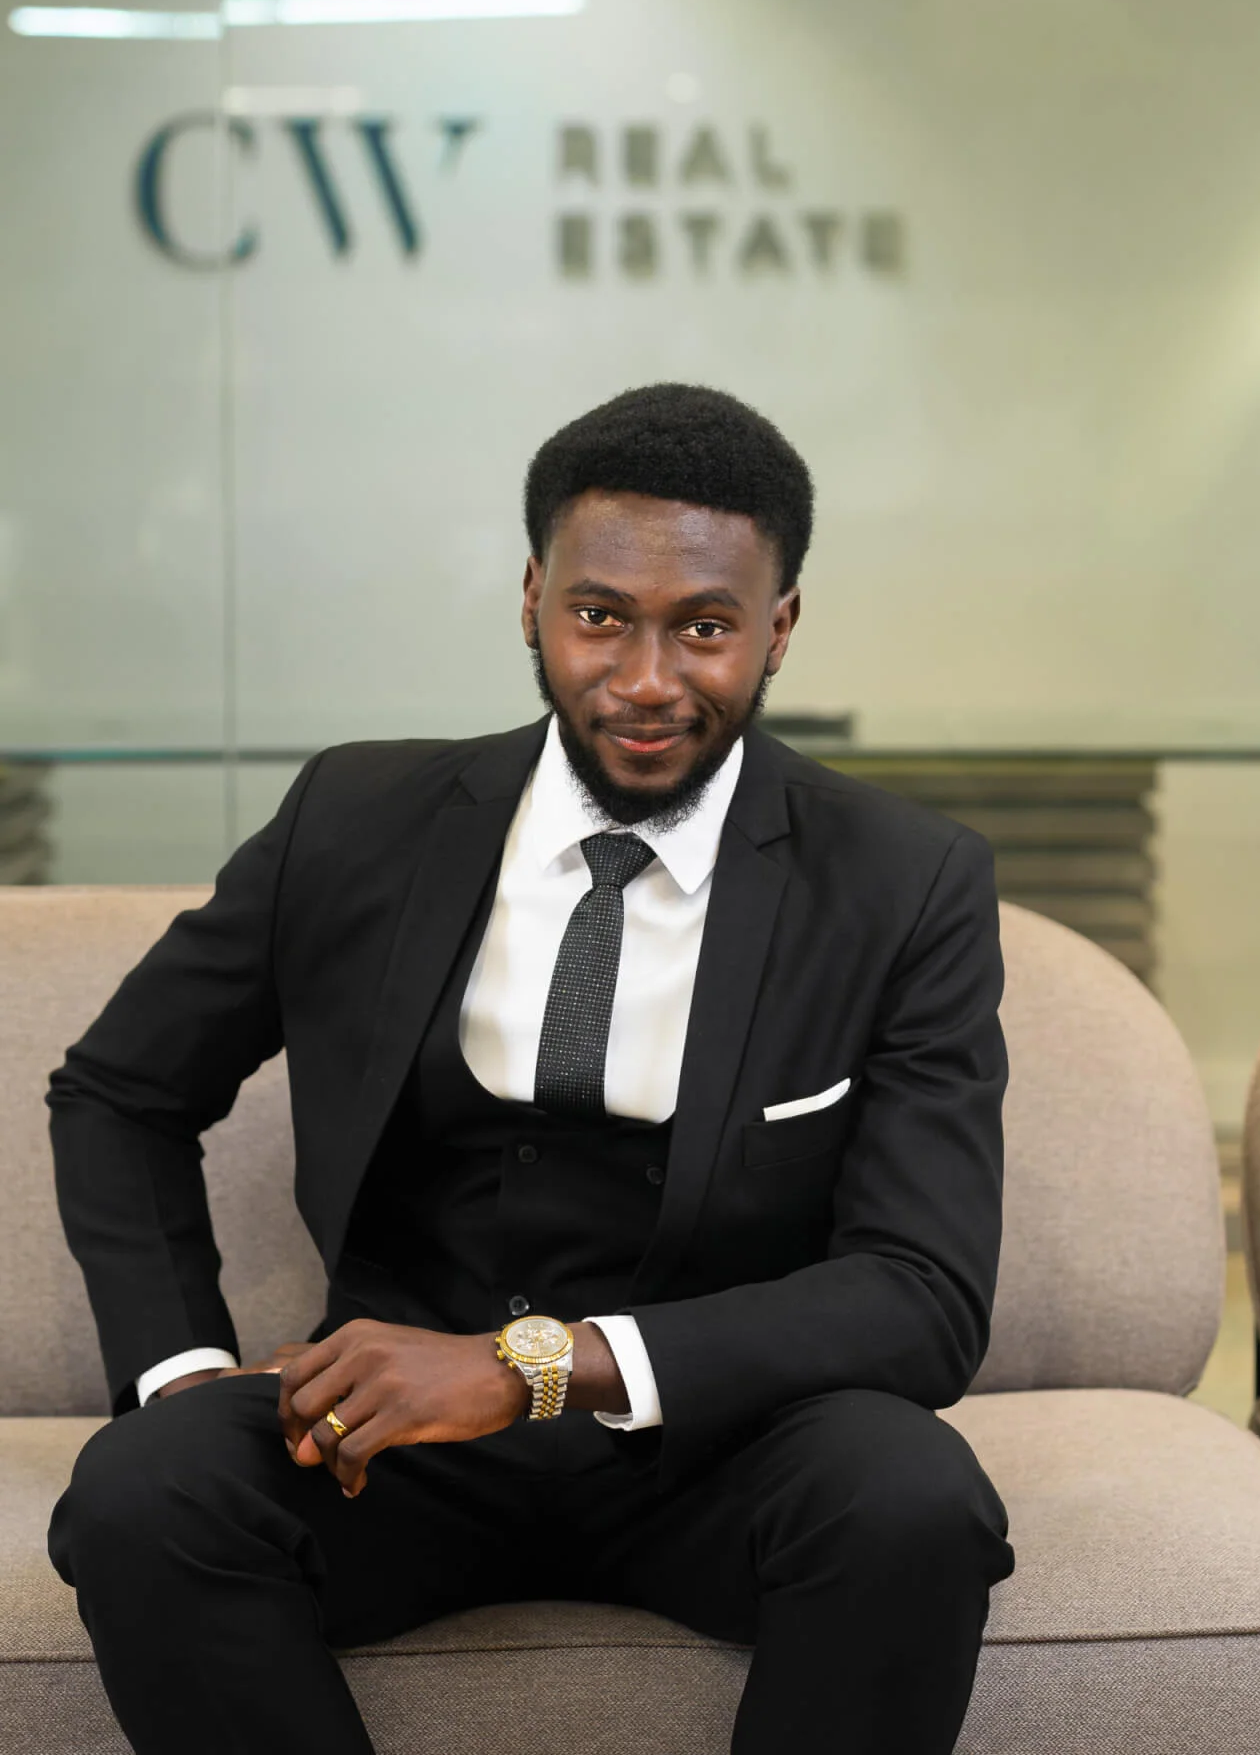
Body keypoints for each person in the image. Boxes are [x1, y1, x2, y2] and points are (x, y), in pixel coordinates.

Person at [47, 382, 1013, 1755]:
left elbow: (922, 1294)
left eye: (706, 627)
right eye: (600, 614)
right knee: (143, 1489)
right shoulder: (355, 818)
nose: (646, 679)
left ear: (780, 627)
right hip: (388, 1457)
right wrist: (184, 1370)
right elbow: (120, 1091)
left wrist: (530, 1368)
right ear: (530, 600)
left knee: (915, 1498)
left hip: (722, 1446)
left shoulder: (905, 883)